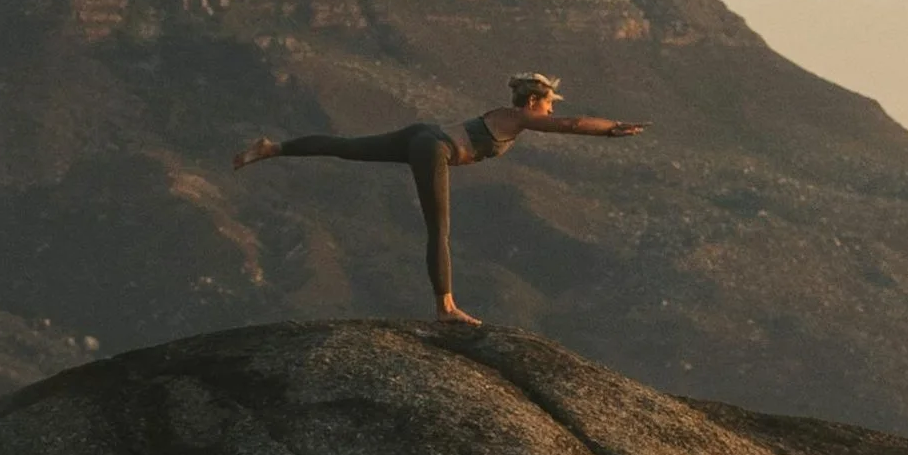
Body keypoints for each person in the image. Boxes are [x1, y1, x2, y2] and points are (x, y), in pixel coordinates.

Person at [231, 73, 644, 327]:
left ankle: (273, 148)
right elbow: (570, 125)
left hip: (422, 136)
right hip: (433, 149)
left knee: (346, 146)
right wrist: (611, 128)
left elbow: (562, 120)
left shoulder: (506, 113)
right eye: (549, 103)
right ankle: (445, 306)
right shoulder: (519, 117)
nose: (551, 111)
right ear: (534, 102)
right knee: (439, 229)